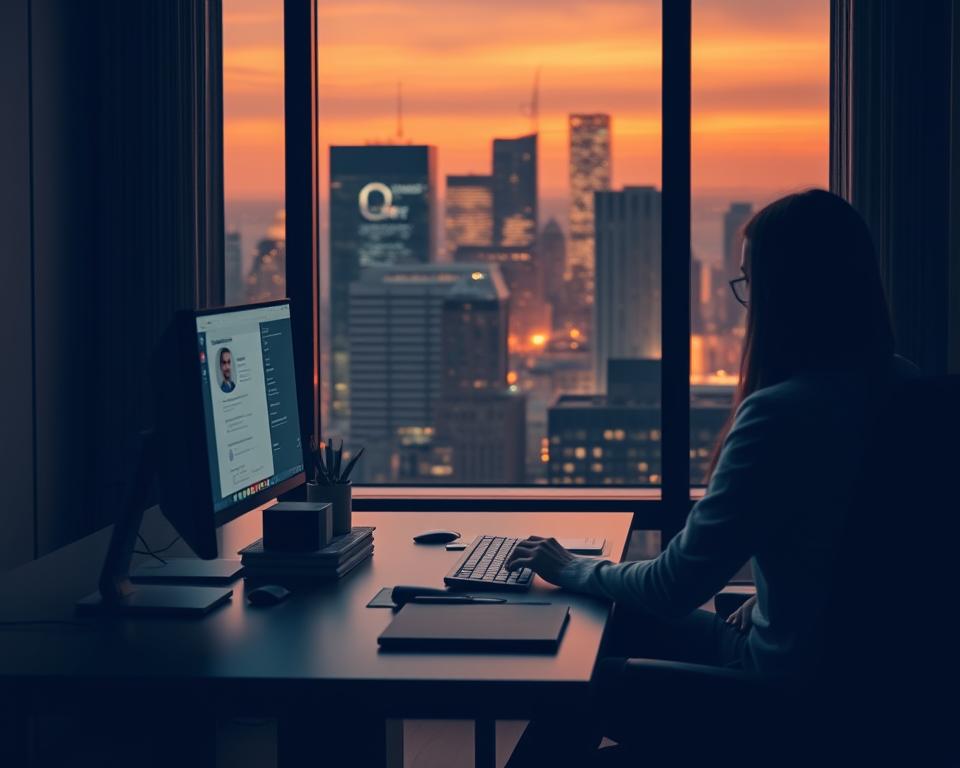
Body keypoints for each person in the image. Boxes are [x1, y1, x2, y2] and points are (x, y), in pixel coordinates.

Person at [504, 189, 916, 766]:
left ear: (784, 293)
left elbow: (676, 587)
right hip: (867, 694)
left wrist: (574, 567)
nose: (746, 304)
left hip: (780, 700)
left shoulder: (779, 414)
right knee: (610, 625)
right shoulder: (907, 389)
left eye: (750, 284)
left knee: (580, 685)